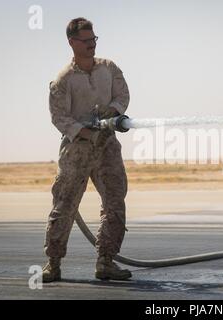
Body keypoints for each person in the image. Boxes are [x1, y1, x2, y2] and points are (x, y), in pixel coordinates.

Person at [42, 17, 131, 282]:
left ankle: (106, 261)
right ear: (72, 42)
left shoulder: (109, 69)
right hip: (77, 149)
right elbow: (59, 117)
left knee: (115, 201)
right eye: (86, 40)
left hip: (107, 146)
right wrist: (84, 131)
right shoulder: (63, 80)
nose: (91, 44)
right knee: (65, 204)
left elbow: (122, 95)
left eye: (94, 39)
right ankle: (53, 263)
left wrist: (112, 113)